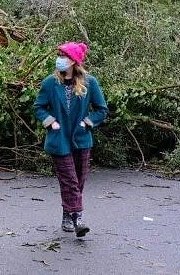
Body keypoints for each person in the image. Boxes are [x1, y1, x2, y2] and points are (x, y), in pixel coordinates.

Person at [34, 41, 108, 237]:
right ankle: (78, 218)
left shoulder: (90, 82)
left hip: (81, 139)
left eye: (64, 56)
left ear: (74, 61)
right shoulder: (50, 83)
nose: (60, 59)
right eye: (59, 55)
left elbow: (102, 109)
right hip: (59, 140)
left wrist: (88, 122)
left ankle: (68, 215)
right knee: (69, 181)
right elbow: (38, 107)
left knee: (79, 180)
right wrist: (50, 121)